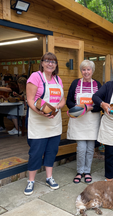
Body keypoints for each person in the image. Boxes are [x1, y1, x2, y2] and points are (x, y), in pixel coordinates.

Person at [24, 52, 66, 195]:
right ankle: (31, 181)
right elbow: (30, 100)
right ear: (42, 63)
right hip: (38, 121)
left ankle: (49, 177)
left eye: (53, 61)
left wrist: (57, 107)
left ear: (56, 65)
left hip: (54, 120)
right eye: (47, 61)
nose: (50, 64)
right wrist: (39, 111)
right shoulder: (35, 77)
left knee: (51, 151)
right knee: (35, 152)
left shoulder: (58, 79)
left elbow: (63, 100)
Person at [66, 60, 102, 184]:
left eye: (88, 69)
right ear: (81, 71)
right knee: (81, 148)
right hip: (79, 120)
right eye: (84, 69)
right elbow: (68, 101)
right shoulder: (76, 83)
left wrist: (90, 108)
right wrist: (77, 107)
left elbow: (101, 104)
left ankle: (87, 171)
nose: (86, 72)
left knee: (90, 148)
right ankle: (79, 171)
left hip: (92, 120)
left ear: (92, 71)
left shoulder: (97, 84)